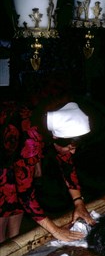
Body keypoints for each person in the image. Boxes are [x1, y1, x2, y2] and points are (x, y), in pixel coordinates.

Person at [0, 98, 96, 243]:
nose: (73, 152)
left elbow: (67, 165)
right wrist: (56, 230)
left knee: (16, 209)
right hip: (4, 152)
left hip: (15, 149)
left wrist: (78, 203)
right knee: (5, 196)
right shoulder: (30, 141)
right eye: (70, 147)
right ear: (55, 137)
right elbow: (26, 195)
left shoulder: (54, 129)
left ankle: (14, 242)